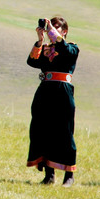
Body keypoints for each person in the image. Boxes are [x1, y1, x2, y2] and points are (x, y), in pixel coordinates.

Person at [26, 16, 79, 187]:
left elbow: (64, 49)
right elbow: (32, 62)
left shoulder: (71, 47)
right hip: (45, 91)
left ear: (64, 31)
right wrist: (40, 41)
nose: (52, 30)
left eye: (56, 28)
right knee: (42, 130)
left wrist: (52, 33)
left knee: (64, 132)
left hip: (62, 92)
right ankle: (49, 174)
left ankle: (69, 175)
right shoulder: (46, 48)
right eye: (51, 27)